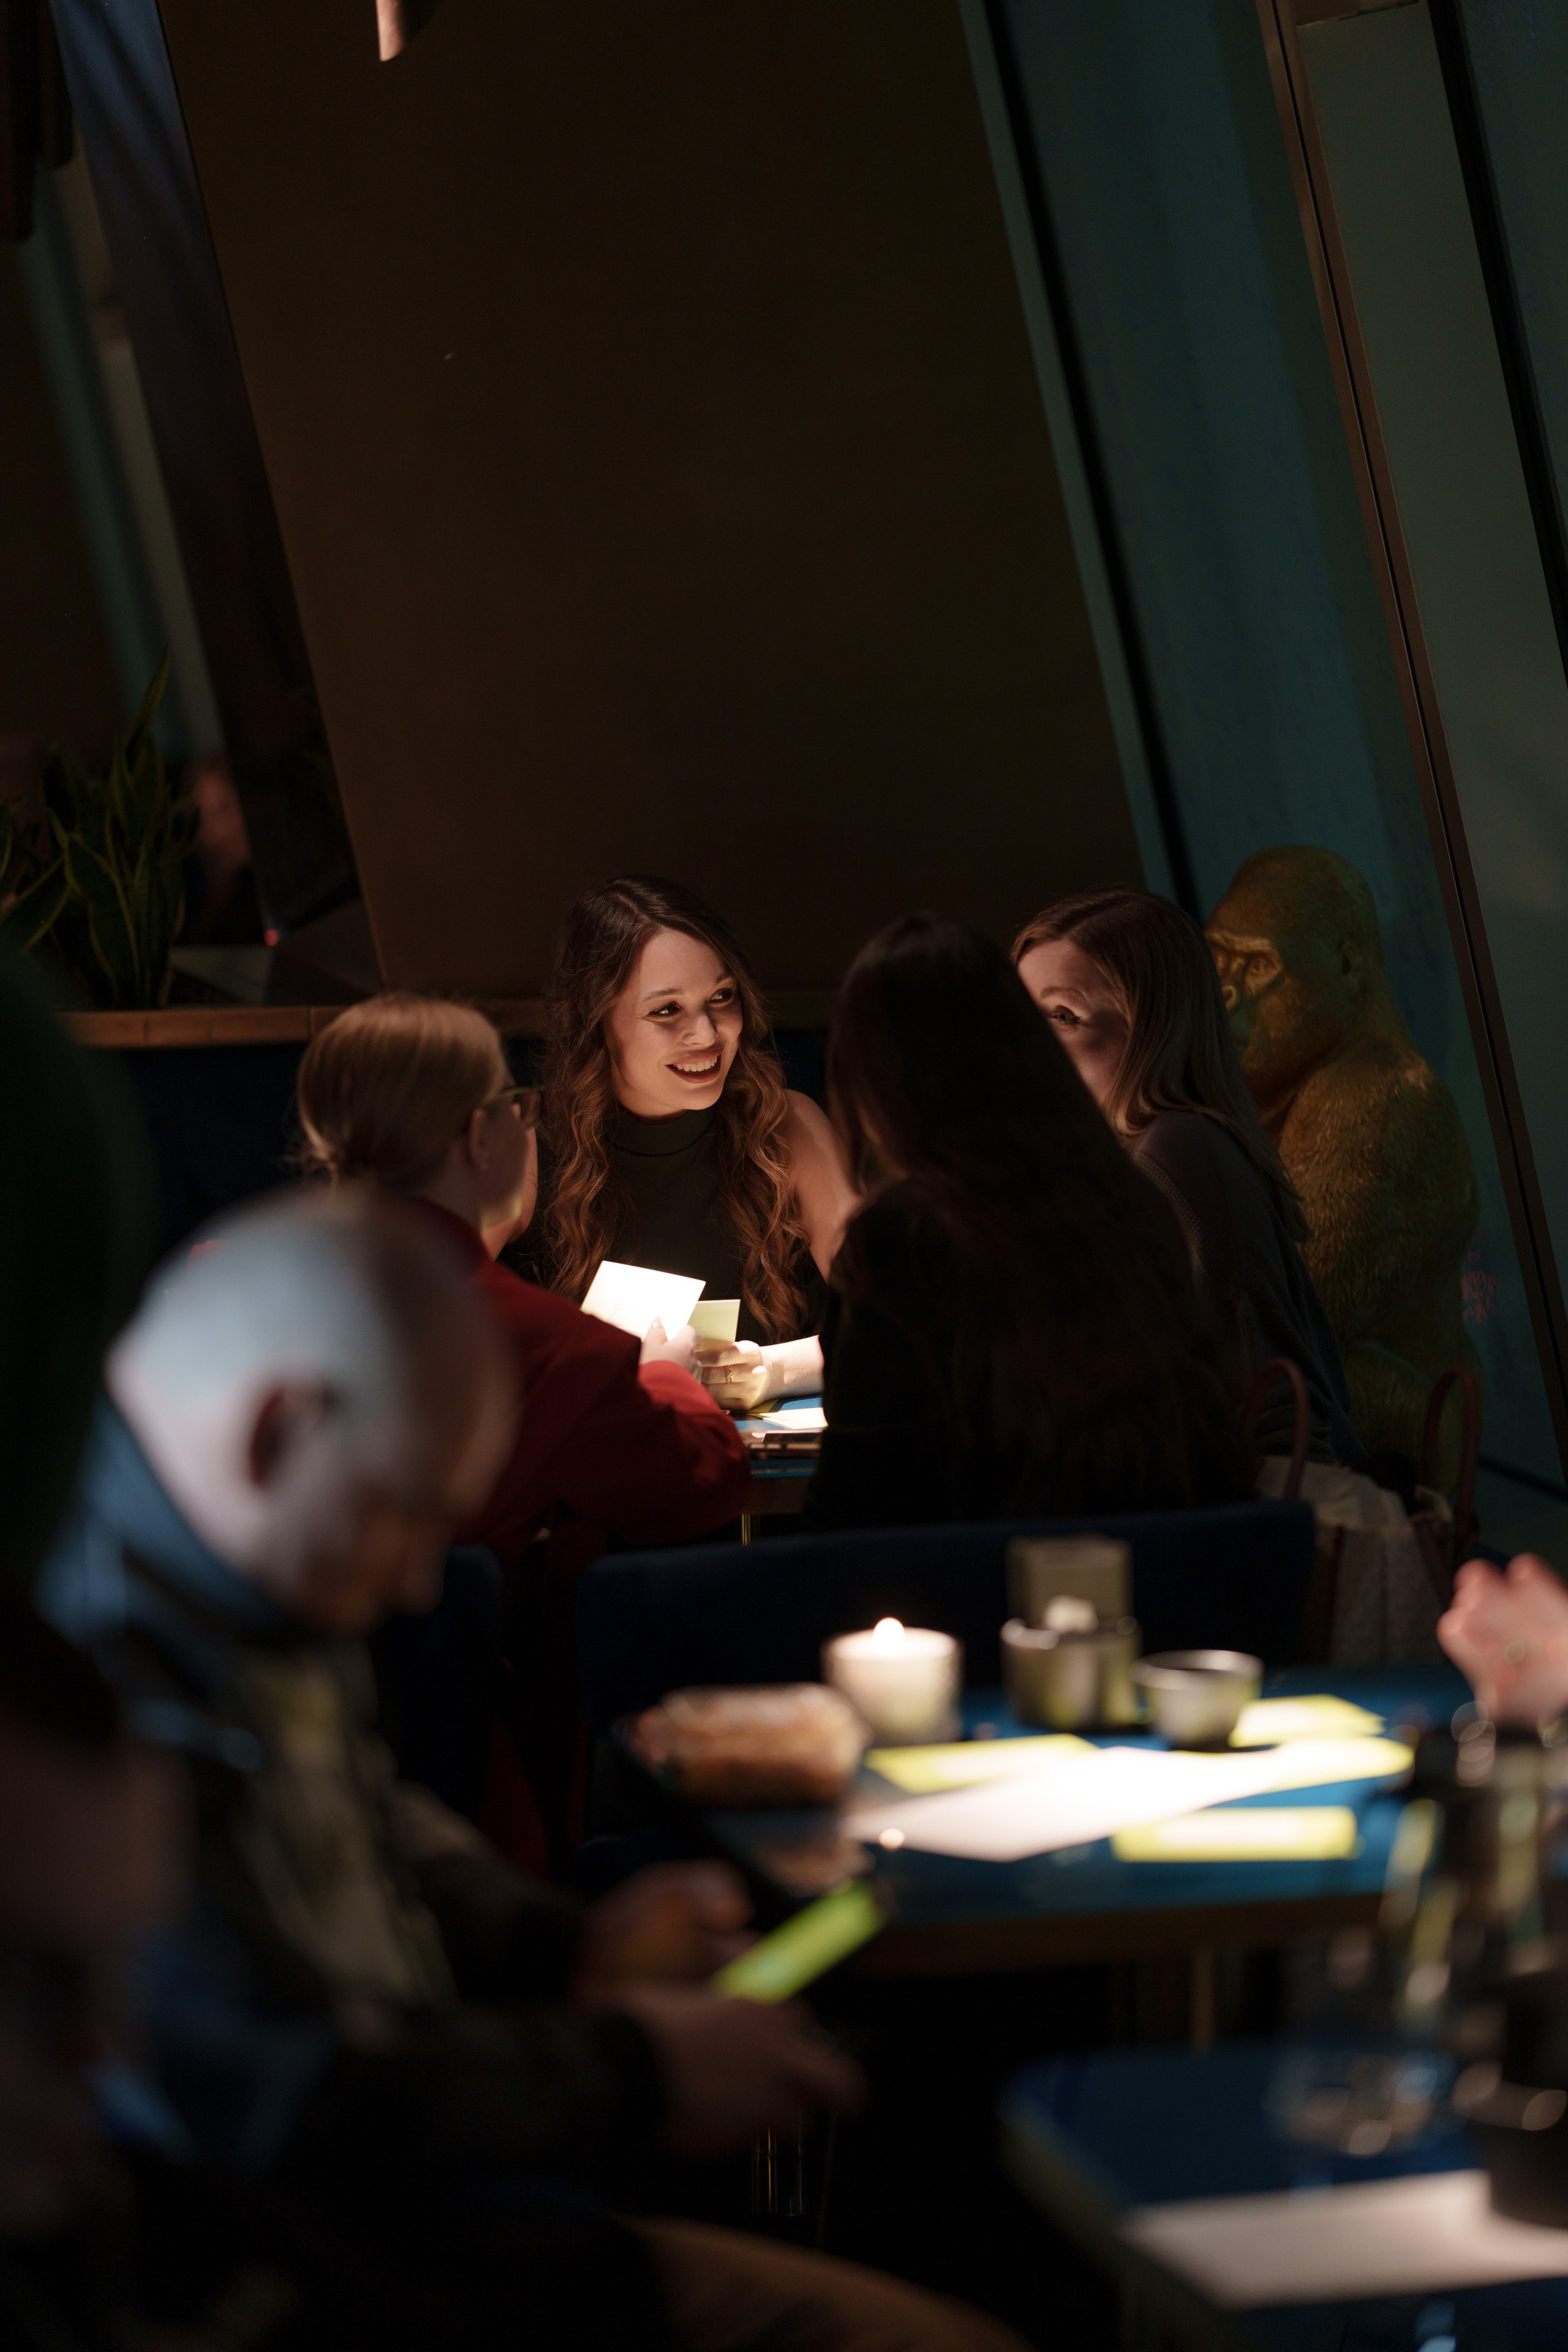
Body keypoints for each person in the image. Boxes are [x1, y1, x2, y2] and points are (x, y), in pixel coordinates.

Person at [40, 1190, 1025, 2352]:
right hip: (280, 2283)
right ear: (279, 1428)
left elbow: (367, 1817)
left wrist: (564, 1946)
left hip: (410, 2237)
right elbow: (273, 2092)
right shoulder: (80, 1679)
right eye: (407, 1515)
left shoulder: (229, 1559)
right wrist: (636, 2073)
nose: (418, 1583)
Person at [805, 914, 1253, 1530]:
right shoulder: (1126, 1198)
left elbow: (866, 1491)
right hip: (1164, 1570)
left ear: (871, 1077)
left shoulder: (904, 1235)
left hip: (993, 1581)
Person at [294, 992, 752, 1576]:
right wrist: (663, 1375)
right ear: (481, 1137)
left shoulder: (225, 1287)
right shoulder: (550, 1346)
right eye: (517, 1102)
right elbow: (703, 1483)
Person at [1014, 887, 1361, 1466]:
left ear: (1155, 1029)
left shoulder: (1176, 1148)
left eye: (1064, 1016)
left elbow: (1268, 1410)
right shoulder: (1138, 1156)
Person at [518, 874, 857, 1410]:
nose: (706, 1034)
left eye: (721, 998)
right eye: (667, 1010)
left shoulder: (786, 1125)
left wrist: (773, 1371)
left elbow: (902, 1323)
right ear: (596, 1024)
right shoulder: (528, 1160)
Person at [1206, 847, 1479, 1478]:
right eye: (1217, 955)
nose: (1225, 987)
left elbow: (1287, 1318)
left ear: (1347, 965)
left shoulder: (1379, 1096)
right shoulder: (1269, 1091)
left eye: (1256, 964)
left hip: (1392, 1447)